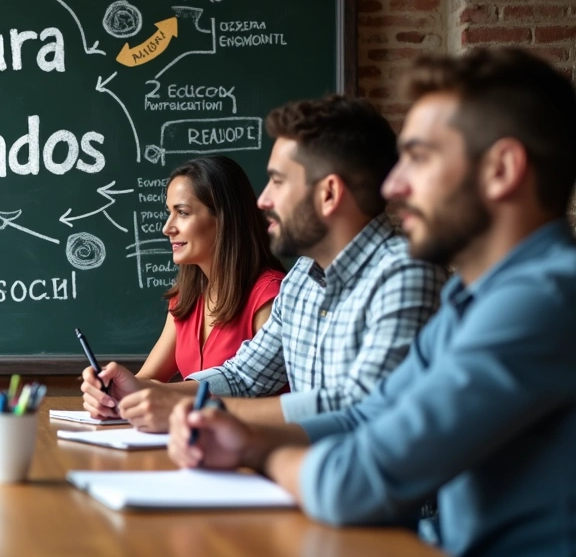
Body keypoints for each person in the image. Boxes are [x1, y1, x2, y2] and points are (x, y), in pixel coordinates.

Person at [168, 47, 576, 556]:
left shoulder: (543, 300)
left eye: (420, 158)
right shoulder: (469, 298)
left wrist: (258, 453)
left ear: (502, 169)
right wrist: (247, 438)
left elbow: (355, 479)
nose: (394, 185)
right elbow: (369, 416)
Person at [84, 95, 448, 431]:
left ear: (329, 193)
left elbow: (359, 408)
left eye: (278, 181)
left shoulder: (405, 272)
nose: (263, 200)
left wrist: (194, 408)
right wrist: (142, 392)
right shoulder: (302, 278)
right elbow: (244, 376)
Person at [80, 156, 285, 407]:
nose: (167, 228)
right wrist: (113, 393)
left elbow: (249, 388)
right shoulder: (186, 298)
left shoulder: (271, 296)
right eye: (170, 213)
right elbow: (148, 378)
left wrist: (145, 393)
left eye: (183, 213)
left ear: (225, 218)